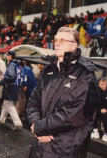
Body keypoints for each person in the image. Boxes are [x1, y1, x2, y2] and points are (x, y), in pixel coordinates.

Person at [27, 27, 99, 157]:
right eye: (55, 39)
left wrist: (39, 127)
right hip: (40, 145)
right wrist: (34, 123)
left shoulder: (85, 75)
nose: (57, 43)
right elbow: (34, 100)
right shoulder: (48, 70)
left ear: (74, 45)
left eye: (62, 40)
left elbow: (73, 115)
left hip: (65, 149)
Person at [0, 51, 23, 130]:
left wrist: (1, 82)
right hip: (15, 86)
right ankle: (2, 119)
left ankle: (18, 123)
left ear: (10, 56)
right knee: (6, 103)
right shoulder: (17, 64)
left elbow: (11, 76)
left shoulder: (11, 64)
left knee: (9, 104)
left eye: (7, 56)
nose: (6, 57)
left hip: (10, 86)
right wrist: (4, 77)